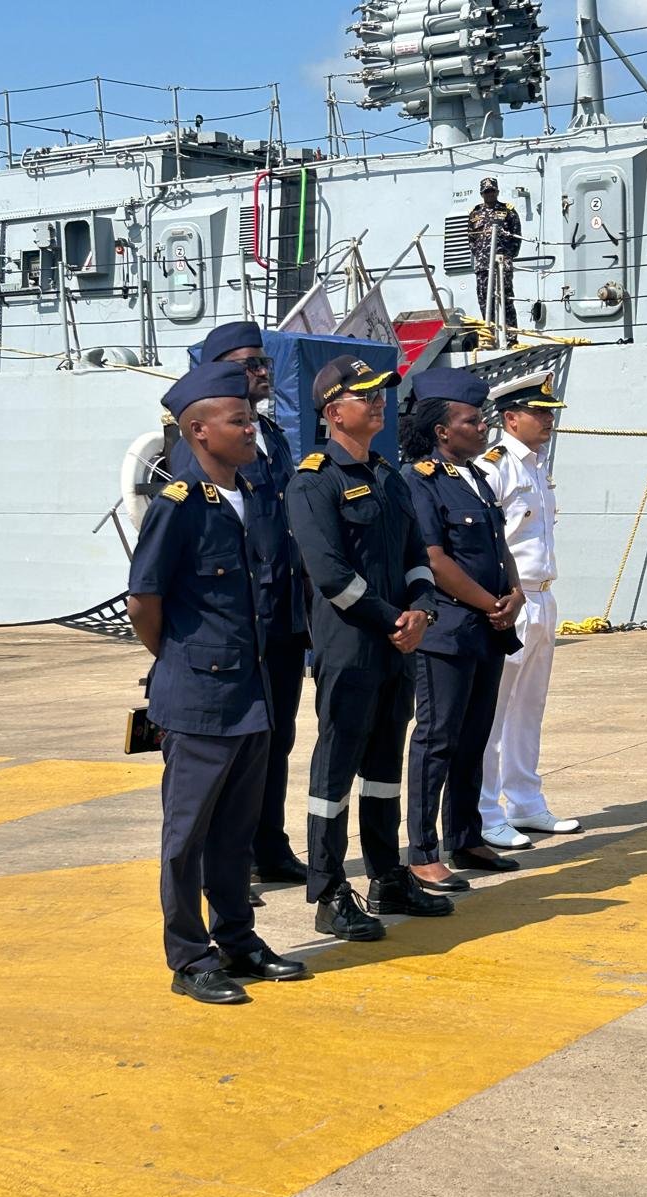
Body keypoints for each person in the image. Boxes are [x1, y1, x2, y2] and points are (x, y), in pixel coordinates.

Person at [128, 361, 307, 1006]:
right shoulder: (178, 505)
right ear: (198, 431)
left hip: (253, 693)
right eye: (238, 421)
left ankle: (238, 938)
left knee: (236, 832)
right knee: (188, 838)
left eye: (252, 418)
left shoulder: (255, 496)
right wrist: (178, 660)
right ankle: (190, 957)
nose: (251, 429)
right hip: (199, 695)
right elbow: (144, 599)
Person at [286, 356, 454, 940]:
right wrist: (394, 619)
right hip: (351, 645)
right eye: (366, 396)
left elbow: (416, 554)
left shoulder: (387, 475)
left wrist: (422, 611)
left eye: (382, 394)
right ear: (334, 412)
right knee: (335, 770)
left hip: (396, 644)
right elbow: (329, 574)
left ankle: (386, 875)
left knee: (384, 767)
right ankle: (330, 890)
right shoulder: (313, 480)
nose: (379, 402)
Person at [168, 320, 309, 889]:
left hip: (279, 617)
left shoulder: (270, 433)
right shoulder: (193, 453)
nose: (262, 373)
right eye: (250, 364)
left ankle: (267, 845)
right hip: (231, 626)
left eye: (263, 363)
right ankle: (222, 863)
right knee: (225, 748)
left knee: (274, 738)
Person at [400, 368, 526, 891]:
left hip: (486, 628)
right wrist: (490, 603)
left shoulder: (474, 478)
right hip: (447, 630)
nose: (484, 429)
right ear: (441, 430)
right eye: (473, 421)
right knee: (437, 738)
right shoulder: (419, 480)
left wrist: (514, 594)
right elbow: (433, 558)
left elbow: (498, 549)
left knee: (474, 736)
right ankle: (423, 851)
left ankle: (466, 834)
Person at [478, 371, 584, 850]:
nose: (547, 421)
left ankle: (525, 801)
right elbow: (487, 539)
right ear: (511, 417)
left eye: (549, 413)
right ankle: (485, 809)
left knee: (529, 706)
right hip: (511, 599)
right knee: (494, 709)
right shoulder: (495, 466)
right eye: (539, 413)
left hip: (543, 596)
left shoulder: (538, 466)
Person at [467, 177, 522, 343]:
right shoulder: (474, 214)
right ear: (481, 194)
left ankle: (511, 337)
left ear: (497, 192)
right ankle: (489, 336)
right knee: (485, 300)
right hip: (483, 265)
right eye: (486, 191)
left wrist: (507, 256)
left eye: (492, 191)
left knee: (506, 299)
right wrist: (480, 256)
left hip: (501, 263)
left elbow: (516, 237)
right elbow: (471, 240)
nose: (489, 194)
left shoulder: (508, 212)